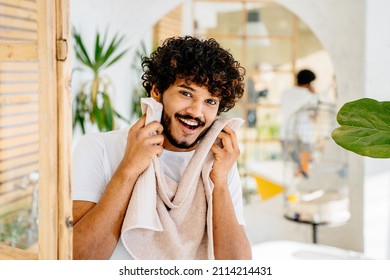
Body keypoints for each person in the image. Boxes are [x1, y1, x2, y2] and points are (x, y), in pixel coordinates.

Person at [72, 36, 252, 260]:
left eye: (210, 101)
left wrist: (221, 182)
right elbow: (78, 259)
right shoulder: (98, 148)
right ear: (157, 91)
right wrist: (129, 168)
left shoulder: (218, 163)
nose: (196, 111)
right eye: (186, 93)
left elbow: (238, 267)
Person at [280, 69, 319, 177]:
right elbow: (314, 116)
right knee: (305, 171)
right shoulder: (310, 95)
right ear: (309, 82)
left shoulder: (285, 92)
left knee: (290, 169)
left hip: (285, 135)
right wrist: (313, 94)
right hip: (304, 136)